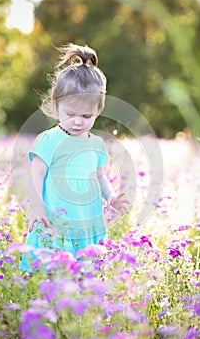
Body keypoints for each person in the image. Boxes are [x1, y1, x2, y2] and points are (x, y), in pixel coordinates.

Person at [20, 43, 128, 272]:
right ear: (56, 104)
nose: (78, 121)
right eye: (70, 114)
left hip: (86, 221)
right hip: (55, 220)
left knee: (82, 274)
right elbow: (35, 175)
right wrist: (36, 208)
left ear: (98, 110)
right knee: (50, 272)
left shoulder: (96, 144)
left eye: (87, 115)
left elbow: (99, 177)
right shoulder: (49, 140)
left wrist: (110, 197)